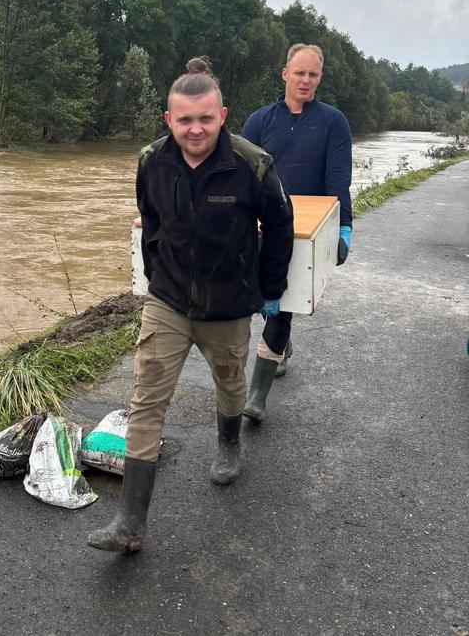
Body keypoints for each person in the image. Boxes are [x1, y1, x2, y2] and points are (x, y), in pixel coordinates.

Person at [88, 57, 294, 553]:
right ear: (169, 121)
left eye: (205, 118)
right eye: (185, 120)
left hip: (228, 305)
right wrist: (159, 279)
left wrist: (270, 290)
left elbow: (281, 225)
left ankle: (228, 444)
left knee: (229, 385)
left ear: (223, 115)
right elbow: (149, 222)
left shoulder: (252, 163)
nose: (195, 128)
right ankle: (129, 524)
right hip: (169, 302)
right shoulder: (150, 161)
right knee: (146, 401)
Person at [241, 43, 353, 423]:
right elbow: (243, 176)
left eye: (313, 75)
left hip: (307, 229)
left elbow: (339, 179)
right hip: (262, 223)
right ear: (284, 73)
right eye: (299, 73)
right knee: (261, 299)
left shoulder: (333, 122)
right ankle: (281, 348)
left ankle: (256, 395)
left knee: (283, 303)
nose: (306, 80)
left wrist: (344, 228)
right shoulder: (259, 121)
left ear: (320, 78)